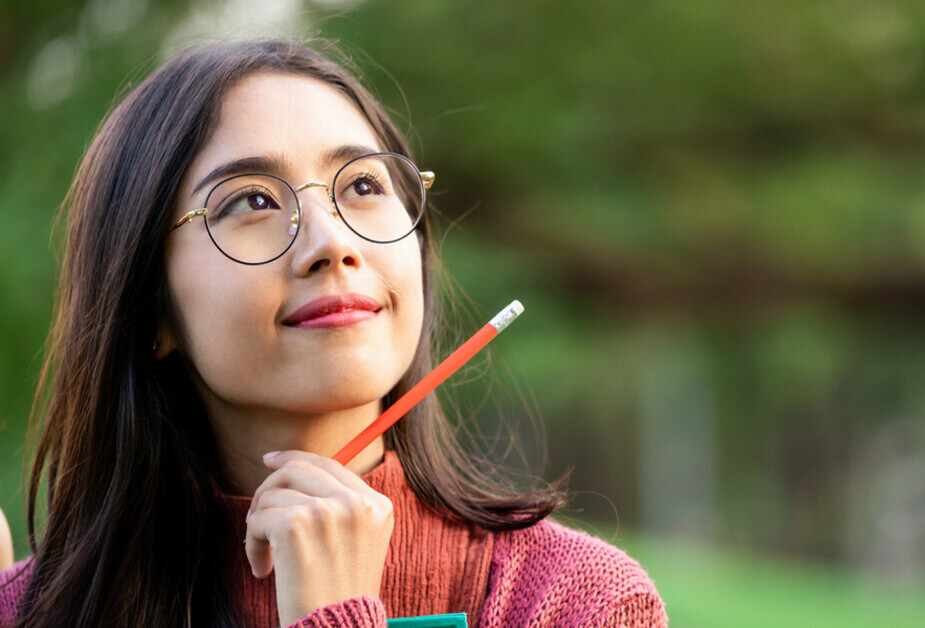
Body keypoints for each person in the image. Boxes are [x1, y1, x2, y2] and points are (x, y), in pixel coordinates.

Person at [0, 39, 666, 627]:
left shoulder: (577, 603)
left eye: (365, 184)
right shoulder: (31, 610)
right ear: (154, 309)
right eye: (253, 201)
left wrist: (331, 617)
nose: (333, 242)